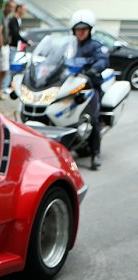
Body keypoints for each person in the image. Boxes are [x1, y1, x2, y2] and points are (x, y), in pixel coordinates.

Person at [70, 9, 108, 170]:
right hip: (70, 85)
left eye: (84, 29)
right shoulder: (70, 46)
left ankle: (95, 154)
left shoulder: (96, 46)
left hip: (90, 86)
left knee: (93, 118)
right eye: (78, 30)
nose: (81, 33)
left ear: (90, 30)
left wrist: (94, 69)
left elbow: (103, 60)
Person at [6, 4, 33, 91]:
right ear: (19, 9)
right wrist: (25, 41)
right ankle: (5, 86)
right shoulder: (13, 20)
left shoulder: (19, 20)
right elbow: (15, 34)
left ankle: (8, 85)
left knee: (10, 66)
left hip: (15, 46)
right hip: (10, 46)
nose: (25, 12)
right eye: (24, 9)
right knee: (8, 66)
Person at [0, 1, 16, 99]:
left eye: (13, 7)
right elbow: (0, 31)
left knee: (4, 69)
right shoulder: (1, 16)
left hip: (7, 45)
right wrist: (1, 45)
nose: (11, 9)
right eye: (10, 7)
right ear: (6, 6)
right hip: (1, 47)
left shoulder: (8, 18)